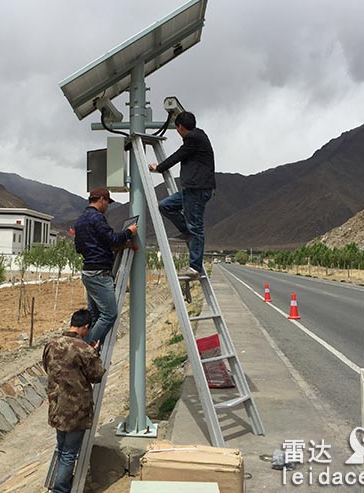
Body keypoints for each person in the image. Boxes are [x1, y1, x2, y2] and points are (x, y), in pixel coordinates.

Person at [43, 309, 105, 493]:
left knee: (61, 449)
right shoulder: (83, 349)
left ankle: (60, 483)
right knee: (69, 454)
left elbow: (48, 368)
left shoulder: (51, 345)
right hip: (76, 411)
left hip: (56, 407)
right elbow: (96, 376)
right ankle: (60, 490)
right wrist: (94, 354)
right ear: (85, 327)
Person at [149, 111, 215, 278]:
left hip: (197, 189)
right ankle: (186, 232)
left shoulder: (193, 139)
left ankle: (195, 268)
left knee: (196, 227)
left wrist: (159, 167)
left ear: (180, 127)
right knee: (166, 206)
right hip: (190, 189)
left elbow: (178, 156)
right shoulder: (198, 135)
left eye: (177, 127)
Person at [74, 187, 137, 344]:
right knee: (109, 314)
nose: (107, 206)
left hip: (88, 272)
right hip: (99, 273)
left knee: (94, 315)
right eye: (107, 202)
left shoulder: (80, 220)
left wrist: (123, 246)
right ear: (102, 199)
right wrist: (129, 232)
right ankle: (85, 347)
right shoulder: (97, 218)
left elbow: (80, 248)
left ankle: (92, 351)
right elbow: (113, 239)